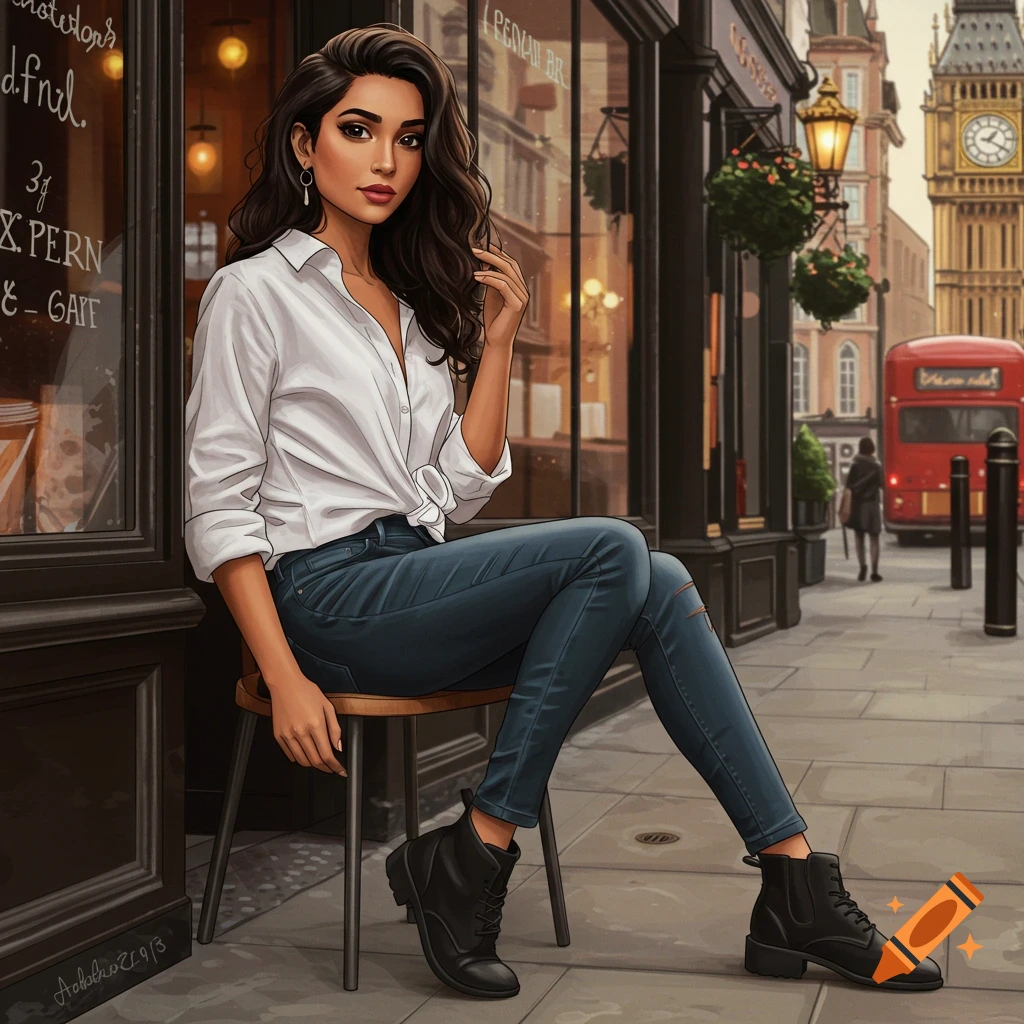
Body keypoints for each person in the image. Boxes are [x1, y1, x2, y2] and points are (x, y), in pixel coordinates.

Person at [183, 25, 940, 1000]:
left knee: (657, 581)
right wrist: (281, 673)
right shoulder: (255, 293)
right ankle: (480, 847)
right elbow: (219, 507)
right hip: (328, 601)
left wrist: (495, 341)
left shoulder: (407, 309)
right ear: (303, 143)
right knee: (616, 550)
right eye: (359, 129)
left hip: (409, 577)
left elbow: (455, 486)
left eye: (408, 139)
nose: (385, 161)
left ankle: (791, 874)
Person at [845, 437, 885, 582]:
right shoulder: (877, 466)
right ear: (872, 449)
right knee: (874, 538)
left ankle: (862, 567)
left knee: (859, 537)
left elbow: (848, 485)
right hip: (872, 505)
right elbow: (882, 483)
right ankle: (875, 571)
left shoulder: (855, 464)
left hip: (858, 505)